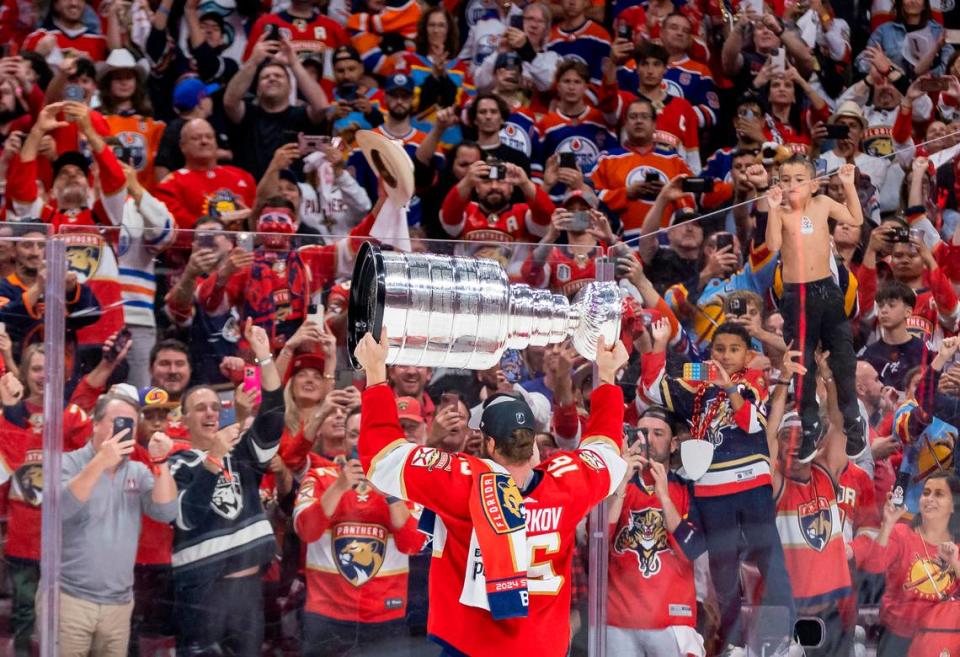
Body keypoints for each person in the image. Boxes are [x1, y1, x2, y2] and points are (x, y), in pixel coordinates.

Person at [354, 329, 628, 655]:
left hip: (472, 646)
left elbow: (382, 458)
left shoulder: (463, 481)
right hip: (542, 647)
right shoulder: (568, 484)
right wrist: (608, 377)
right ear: (530, 440)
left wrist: (375, 375)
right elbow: (607, 452)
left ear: (490, 443)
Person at [641, 320, 795, 654]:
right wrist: (660, 342)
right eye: (719, 349)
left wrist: (728, 389)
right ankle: (733, 644)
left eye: (734, 350)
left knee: (770, 560)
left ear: (748, 355)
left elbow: (752, 422)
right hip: (711, 490)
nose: (725, 356)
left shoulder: (754, 381)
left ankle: (784, 639)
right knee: (722, 569)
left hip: (751, 484)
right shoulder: (696, 386)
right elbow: (652, 387)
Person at [168, 321, 283, 656]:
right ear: (184, 418)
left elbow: (274, 416)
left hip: (248, 592)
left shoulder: (241, 453)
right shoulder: (177, 464)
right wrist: (214, 456)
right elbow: (188, 516)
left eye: (216, 408)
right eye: (200, 408)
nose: (210, 413)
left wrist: (264, 358)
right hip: (203, 594)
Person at [293, 414, 425, 656]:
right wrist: (339, 487)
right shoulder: (319, 477)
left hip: (386, 616)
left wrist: (390, 494)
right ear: (344, 440)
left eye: (368, 436)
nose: (360, 443)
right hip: (326, 616)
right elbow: (306, 531)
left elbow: (414, 545)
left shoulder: (403, 485)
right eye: (354, 435)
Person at [59, 391, 177, 657]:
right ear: (95, 424)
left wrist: (161, 462)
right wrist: (100, 461)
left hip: (119, 603)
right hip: (69, 598)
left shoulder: (138, 470)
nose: (124, 432)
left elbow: (166, 511)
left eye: (130, 425)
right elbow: (62, 508)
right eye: (117, 423)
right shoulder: (67, 462)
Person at [766, 155, 866, 462]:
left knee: (843, 358)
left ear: (813, 184)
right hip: (797, 296)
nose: (792, 185)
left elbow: (856, 219)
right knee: (801, 363)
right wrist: (771, 209)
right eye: (785, 179)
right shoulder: (781, 212)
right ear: (778, 185)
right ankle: (808, 424)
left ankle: (853, 419)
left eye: (799, 179)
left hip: (827, 290)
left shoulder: (822, 204)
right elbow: (771, 246)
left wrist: (849, 185)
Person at [606, 406, 707, 657]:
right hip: (620, 620)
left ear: (674, 444)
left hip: (673, 618)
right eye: (642, 432)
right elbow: (598, 540)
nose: (648, 439)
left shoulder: (689, 489)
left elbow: (692, 548)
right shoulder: (617, 486)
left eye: (658, 433)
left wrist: (663, 496)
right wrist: (619, 485)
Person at [853, 472, 960, 656]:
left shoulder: (956, 547)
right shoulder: (901, 533)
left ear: (953, 505)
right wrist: (887, 525)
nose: (929, 499)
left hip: (939, 640)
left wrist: (954, 564)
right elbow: (873, 566)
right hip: (897, 638)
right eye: (926, 493)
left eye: (939, 494)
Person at [153, 118, 256, 230]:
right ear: (182, 146)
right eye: (196, 138)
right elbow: (179, 230)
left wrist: (250, 219)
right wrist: (220, 223)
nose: (204, 141)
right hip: (198, 246)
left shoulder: (242, 176)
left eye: (209, 137)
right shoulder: (169, 186)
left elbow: (258, 219)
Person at [857, 282, 930, 391]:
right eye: (880, 306)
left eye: (891, 305)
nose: (884, 310)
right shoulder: (867, 355)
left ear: (908, 312)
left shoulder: (925, 352)